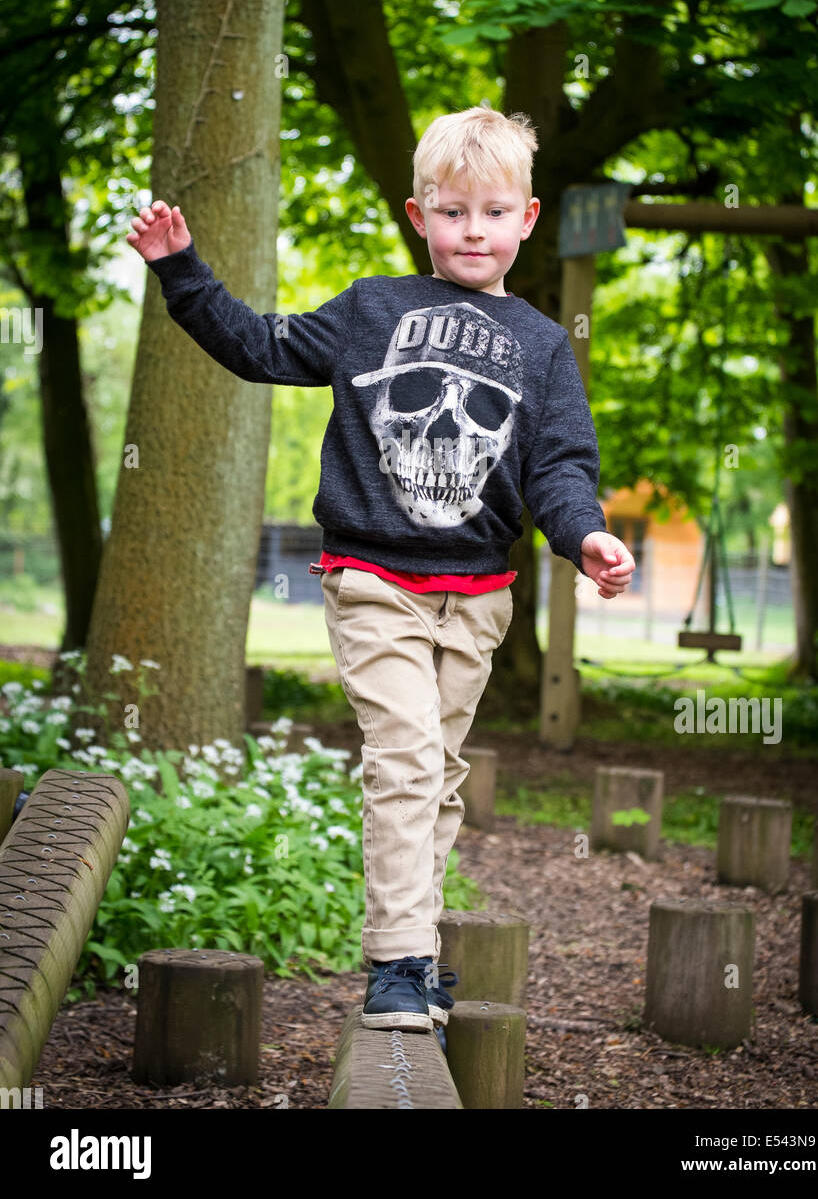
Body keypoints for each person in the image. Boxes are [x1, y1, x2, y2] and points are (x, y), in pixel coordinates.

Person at [128, 105, 635, 1034]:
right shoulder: (370, 311)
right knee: (403, 758)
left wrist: (585, 537)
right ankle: (398, 966)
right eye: (452, 213)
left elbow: (559, 466)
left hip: (477, 597)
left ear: (525, 220)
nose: (471, 231)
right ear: (419, 215)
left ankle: (420, 952)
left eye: (492, 213)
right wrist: (182, 272)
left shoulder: (543, 347)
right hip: (373, 581)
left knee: (435, 776)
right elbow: (262, 347)